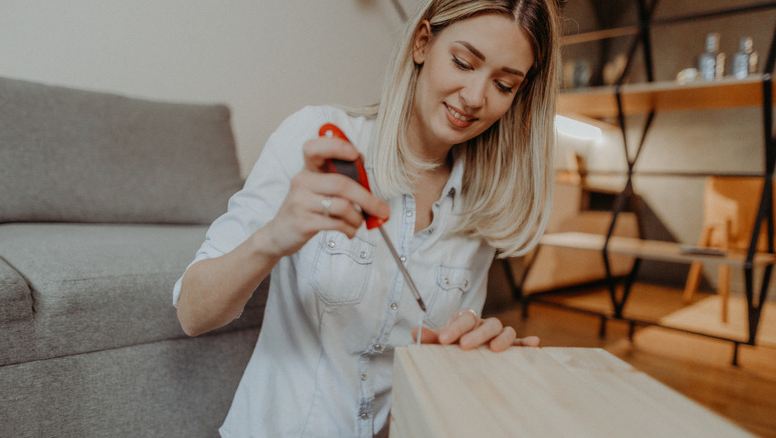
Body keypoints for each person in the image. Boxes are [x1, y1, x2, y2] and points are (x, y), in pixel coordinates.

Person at [173, 0, 560, 436]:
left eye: (504, 85)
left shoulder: (481, 206)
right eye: (463, 62)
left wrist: (479, 359)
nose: (475, 98)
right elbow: (192, 313)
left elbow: (435, 367)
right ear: (422, 43)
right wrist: (273, 237)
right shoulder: (315, 136)